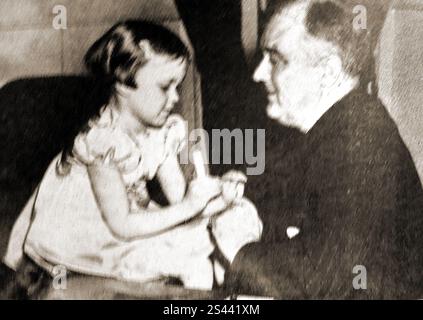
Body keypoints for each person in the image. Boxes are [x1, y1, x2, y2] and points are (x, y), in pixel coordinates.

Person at [3, 20, 262, 291]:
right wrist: (190, 206)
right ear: (124, 85)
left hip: (131, 222)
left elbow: (180, 201)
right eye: (165, 87)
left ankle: (231, 296)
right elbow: (123, 225)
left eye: (177, 86)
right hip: (86, 238)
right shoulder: (101, 143)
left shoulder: (161, 132)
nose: (175, 98)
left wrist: (218, 195)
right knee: (191, 262)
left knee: (230, 221)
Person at [225, 0, 423, 299]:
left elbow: (328, 277)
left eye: (275, 60)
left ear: (328, 72)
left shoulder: (360, 138)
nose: (258, 74)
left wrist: (239, 249)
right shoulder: (337, 127)